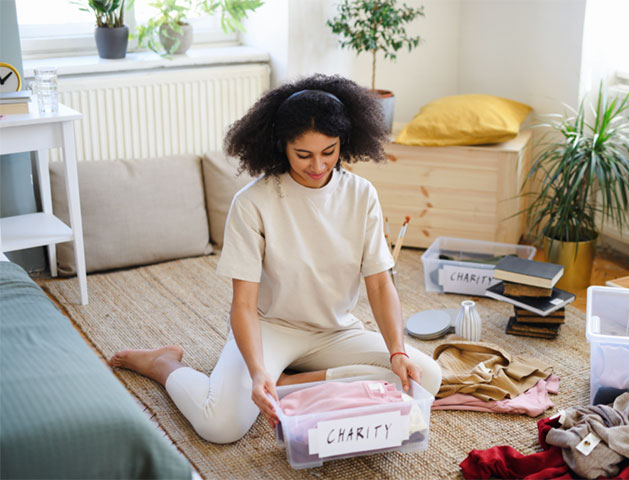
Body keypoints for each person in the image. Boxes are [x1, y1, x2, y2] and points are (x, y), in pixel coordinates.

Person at [110, 74, 442, 444]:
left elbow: (380, 283)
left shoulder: (361, 195)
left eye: (328, 151)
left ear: (343, 143)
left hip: (335, 331)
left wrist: (396, 349)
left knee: (425, 375)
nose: (317, 165)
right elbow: (243, 304)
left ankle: (291, 381)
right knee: (220, 426)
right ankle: (165, 365)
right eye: (303, 155)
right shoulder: (254, 202)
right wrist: (256, 371)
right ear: (281, 146)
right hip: (270, 328)